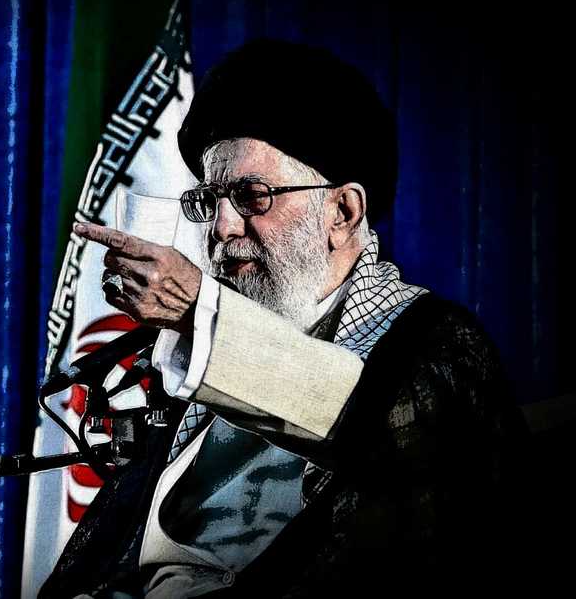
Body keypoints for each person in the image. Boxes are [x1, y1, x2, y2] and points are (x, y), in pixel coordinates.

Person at [39, 39, 528, 598]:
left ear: (342, 212)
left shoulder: (434, 347)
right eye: (209, 201)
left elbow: (369, 421)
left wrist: (200, 315)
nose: (221, 228)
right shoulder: (189, 363)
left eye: (252, 196)